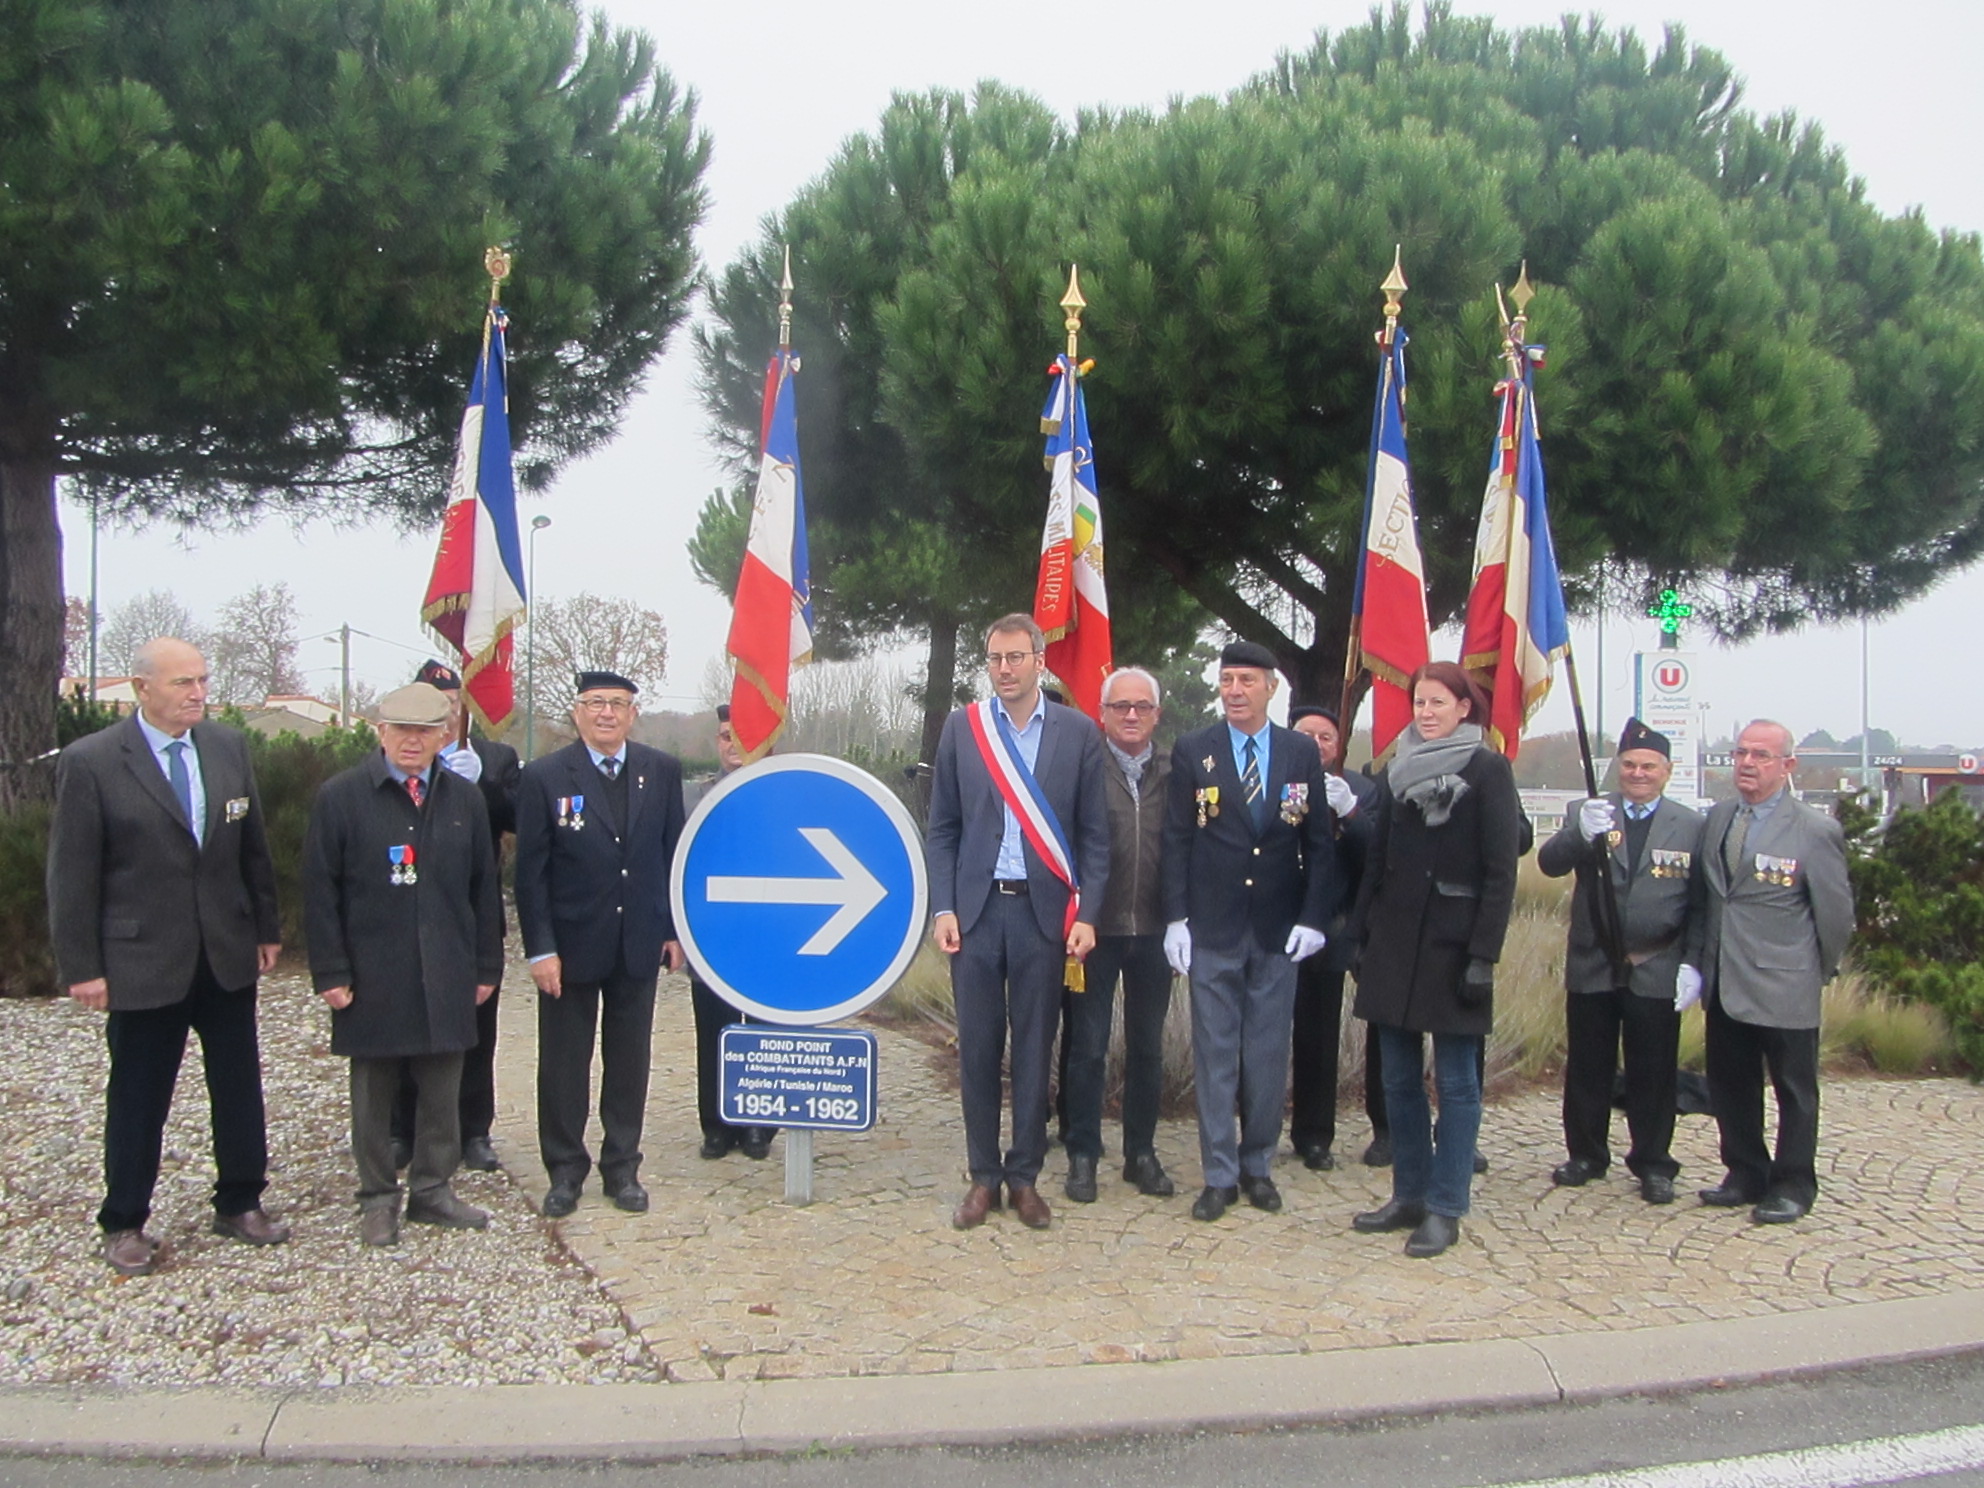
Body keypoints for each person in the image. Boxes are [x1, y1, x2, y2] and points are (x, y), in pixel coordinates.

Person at [47, 636, 289, 1275]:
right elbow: (71, 873)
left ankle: (240, 1200)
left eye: (203, 681)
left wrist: (265, 926)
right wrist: (82, 966)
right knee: (139, 1093)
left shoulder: (227, 748)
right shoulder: (94, 761)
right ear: (142, 689)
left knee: (238, 1084)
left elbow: (251, 848)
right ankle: (124, 1219)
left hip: (226, 950)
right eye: (183, 683)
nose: (198, 693)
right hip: (141, 959)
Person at [926, 614, 1111, 1232]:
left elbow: (1093, 835)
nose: (1004, 669)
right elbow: (944, 828)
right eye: (995, 659)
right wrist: (944, 906)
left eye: (1015, 658)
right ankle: (983, 1176)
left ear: (1039, 660)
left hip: (1043, 916)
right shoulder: (963, 728)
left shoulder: (1079, 733)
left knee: (1034, 1049)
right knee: (978, 1049)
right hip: (976, 915)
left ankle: (1025, 1177)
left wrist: (1086, 913)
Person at [303, 682, 503, 1246]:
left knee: (443, 1087)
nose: (412, 742)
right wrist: (331, 972)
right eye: (401, 730)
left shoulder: (465, 800)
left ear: (444, 735)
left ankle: (433, 1189)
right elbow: (320, 893)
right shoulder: (341, 797)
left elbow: (483, 888)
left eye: (424, 731)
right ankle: (377, 1198)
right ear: (380, 732)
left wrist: (487, 964)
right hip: (372, 969)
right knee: (374, 1091)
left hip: (447, 965)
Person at [1348, 661, 1520, 1258]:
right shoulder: (1398, 770)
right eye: (1419, 702)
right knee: (1397, 1079)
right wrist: (1361, 933)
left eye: (1437, 703)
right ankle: (1409, 1195)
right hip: (1395, 943)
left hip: (1454, 945)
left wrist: (1484, 955)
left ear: (1463, 709)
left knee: (1456, 1082)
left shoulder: (1488, 769)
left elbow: (1501, 872)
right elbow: (1378, 859)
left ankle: (1447, 1206)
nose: (1425, 712)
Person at [1161, 641, 1336, 1223]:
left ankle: (1258, 1163)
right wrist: (1176, 918)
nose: (1234, 690)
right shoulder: (1195, 750)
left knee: (1265, 1053)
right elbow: (1179, 839)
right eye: (1227, 679)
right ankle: (1219, 1174)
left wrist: (1313, 918)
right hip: (1212, 927)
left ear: (1271, 688)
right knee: (1215, 1056)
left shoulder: (1298, 753)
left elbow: (1318, 843)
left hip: (1277, 931)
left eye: (1246, 681)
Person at [514, 670, 687, 1219]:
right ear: (577, 712)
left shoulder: (660, 771)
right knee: (564, 1063)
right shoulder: (544, 777)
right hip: (570, 945)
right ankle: (565, 1171)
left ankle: (622, 1168)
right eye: (595, 704)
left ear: (633, 714)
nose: (607, 713)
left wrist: (672, 931)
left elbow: (672, 856)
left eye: (618, 704)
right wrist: (540, 948)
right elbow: (530, 873)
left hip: (637, 941)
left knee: (629, 1060)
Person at [1682, 719, 1853, 1225]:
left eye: (1760, 755)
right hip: (1726, 978)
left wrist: (1815, 969)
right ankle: (1745, 1171)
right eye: (1741, 753)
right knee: (1731, 1083)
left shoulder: (1813, 830)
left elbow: (1836, 915)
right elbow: (1709, 901)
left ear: (1787, 766)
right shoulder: (1718, 819)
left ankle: (1794, 1183)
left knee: (1794, 1090)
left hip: (1786, 981)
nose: (1748, 764)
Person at [1536, 717, 1704, 1204]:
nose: (1637, 773)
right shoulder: (1589, 811)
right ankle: (1586, 1154)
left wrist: (1693, 963)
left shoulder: (1690, 825)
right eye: (1629, 764)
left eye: (1648, 766)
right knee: (1589, 1064)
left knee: (1654, 1070)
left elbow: (1700, 903)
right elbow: (1550, 864)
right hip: (1595, 960)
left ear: (1666, 771)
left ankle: (1654, 1163)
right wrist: (1579, 834)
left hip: (1657, 962)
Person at [389, 659, 520, 1175]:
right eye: (430, 699)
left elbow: (518, 820)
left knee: (476, 1030)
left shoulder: (493, 757)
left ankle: (474, 1130)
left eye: (449, 701)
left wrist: (482, 783)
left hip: (469, 918)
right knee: (401, 1027)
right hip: (403, 917)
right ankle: (402, 1130)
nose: (442, 709)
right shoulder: (396, 755)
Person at [1060, 666, 1176, 1203]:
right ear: (1101, 714)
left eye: (1142, 707)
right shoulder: (1081, 765)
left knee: (1147, 1049)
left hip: (1156, 931)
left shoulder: (1180, 771)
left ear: (1157, 713)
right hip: (1093, 931)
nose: (1131, 716)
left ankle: (1141, 1154)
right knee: (1087, 1046)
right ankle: (1082, 1153)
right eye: (1120, 707)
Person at [1285, 704, 1381, 1173]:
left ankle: (1314, 1135)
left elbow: (1376, 858)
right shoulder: (1274, 778)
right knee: (1259, 1038)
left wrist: (1353, 812)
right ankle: (1254, 1130)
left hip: (1328, 933)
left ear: (1339, 746)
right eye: (1308, 735)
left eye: (1327, 737)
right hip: (1271, 928)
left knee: (1318, 1042)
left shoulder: (1361, 790)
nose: (1318, 744)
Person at [689, 704, 774, 1160]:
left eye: (743, 735)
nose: (733, 744)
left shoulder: (782, 794)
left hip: (768, 942)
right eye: (725, 736)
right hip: (713, 939)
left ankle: (761, 1123)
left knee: (764, 1030)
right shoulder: (695, 799)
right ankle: (717, 1126)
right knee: (715, 1033)